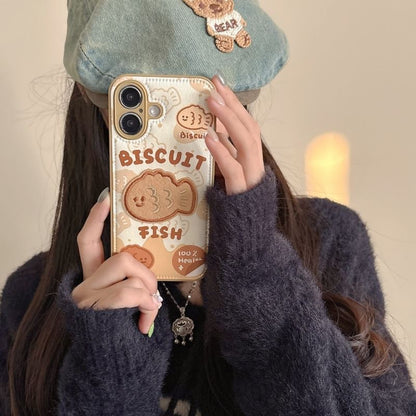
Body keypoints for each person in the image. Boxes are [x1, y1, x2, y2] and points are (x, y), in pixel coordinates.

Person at [1, 1, 415, 415]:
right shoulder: (32, 300)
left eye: (199, 100)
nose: (182, 130)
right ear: (99, 108)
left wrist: (258, 277)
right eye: (151, 101)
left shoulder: (330, 242)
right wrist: (108, 363)